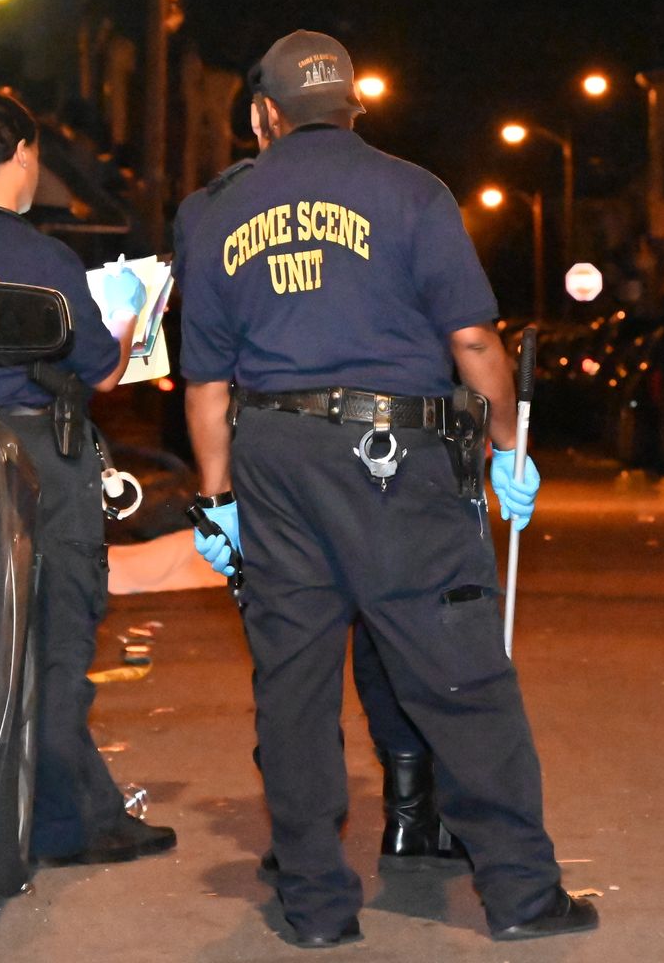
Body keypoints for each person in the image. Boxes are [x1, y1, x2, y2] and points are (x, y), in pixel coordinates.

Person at [180, 30, 595, 948]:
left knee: (294, 684)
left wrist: (217, 499)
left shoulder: (213, 213)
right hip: (398, 462)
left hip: (276, 458)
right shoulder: (413, 193)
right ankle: (522, 897)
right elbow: (476, 343)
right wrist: (506, 445)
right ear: (354, 110)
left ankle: (318, 908)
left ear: (264, 115)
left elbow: (205, 383)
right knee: (463, 681)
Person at [172, 160, 464, 875]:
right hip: (372, 444)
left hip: (268, 446)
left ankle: (304, 837)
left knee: (291, 660)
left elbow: (204, 354)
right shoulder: (384, 192)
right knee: (387, 637)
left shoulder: (210, 210)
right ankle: (406, 811)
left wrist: (216, 496)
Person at [0, 91, 178, 866]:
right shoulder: (42, 257)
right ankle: (65, 825)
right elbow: (103, 370)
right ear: (23, 155)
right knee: (61, 637)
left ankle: (71, 806)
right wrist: (137, 310)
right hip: (43, 460)